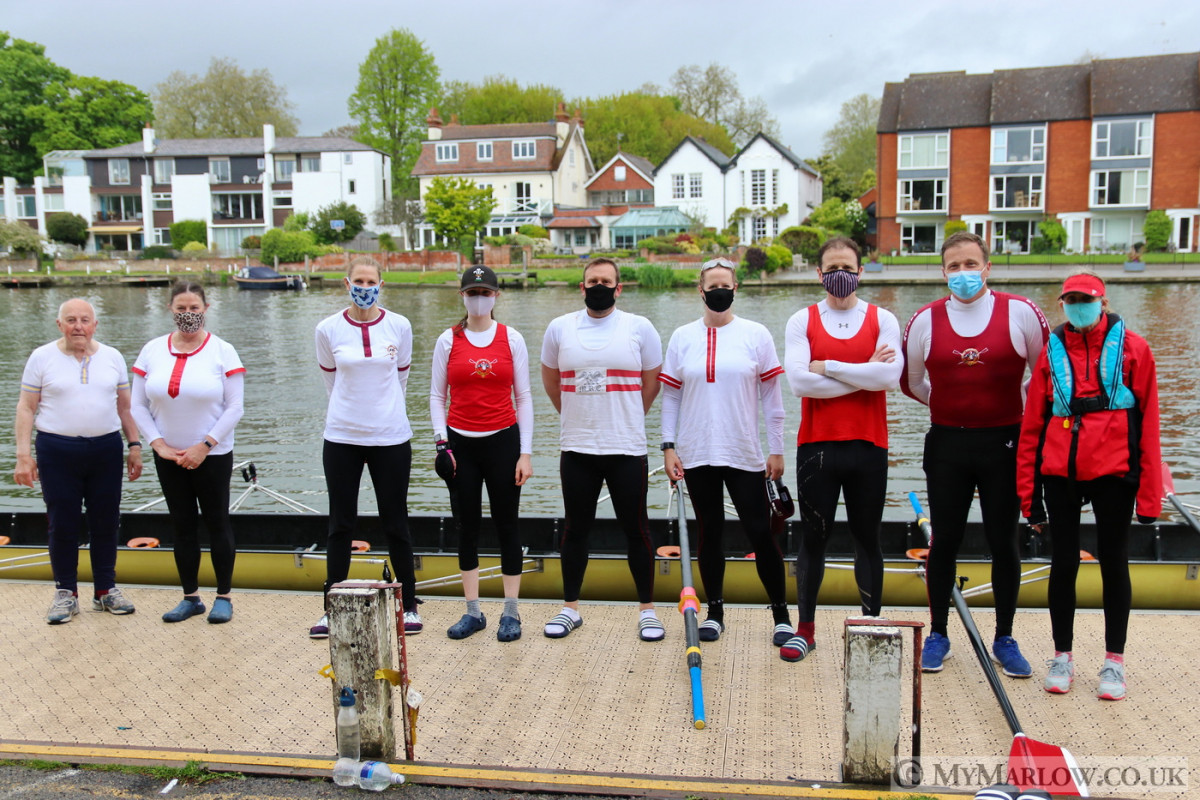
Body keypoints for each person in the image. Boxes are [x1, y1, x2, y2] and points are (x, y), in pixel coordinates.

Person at [901, 231, 1048, 676]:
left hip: (1005, 442)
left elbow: (1043, 377)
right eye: (954, 266)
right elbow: (912, 381)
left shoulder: (1020, 313)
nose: (962, 273)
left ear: (987, 267)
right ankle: (940, 634)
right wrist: (950, 405)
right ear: (943, 272)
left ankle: (1004, 637)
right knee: (945, 539)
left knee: (1003, 540)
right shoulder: (925, 320)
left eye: (971, 264)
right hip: (948, 443)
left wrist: (1014, 408)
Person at [1017, 272, 1161, 701]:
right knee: (1063, 563)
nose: (1079, 306)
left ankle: (1114, 662)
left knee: (1114, 562)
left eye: (1086, 299)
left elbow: (1150, 426)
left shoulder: (1135, 349)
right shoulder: (1051, 352)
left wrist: (1149, 498)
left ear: (1103, 300)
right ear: (1062, 305)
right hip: (1060, 474)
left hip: (1116, 473)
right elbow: (1031, 428)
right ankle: (1062, 656)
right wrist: (1030, 500)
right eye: (1071, 300)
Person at [659, 257, 792, 646]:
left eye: (726, 285)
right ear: (700, 291)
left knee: (760, 533)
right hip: (697, 452)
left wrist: (777, 449)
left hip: (744, 452)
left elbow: (772, 398)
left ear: (736, 288)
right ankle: (715, 612)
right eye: (712, 285)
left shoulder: (756, 334)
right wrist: (669, 447)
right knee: (709, 535)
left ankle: (781, 615)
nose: (719, 291)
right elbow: (670, 397)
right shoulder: (683, 337)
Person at [782, 237, 903, 662]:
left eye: (847, 266)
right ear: (819, 274)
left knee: (866, 538)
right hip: (817, 447)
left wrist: (829, 366)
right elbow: (799, 383)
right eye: (832, 267)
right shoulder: (802, 320)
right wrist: (864, 369)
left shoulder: (883, 318)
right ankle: (806, 630)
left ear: (860, 271)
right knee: (813, 539)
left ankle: (870, 626)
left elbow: (890, 379)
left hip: (868, 446)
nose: (840, 274)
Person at [540, 257, 665, 641]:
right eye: (592, 280)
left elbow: (652, 382)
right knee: (575, 529)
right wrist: (580, 416)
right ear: (582, 287)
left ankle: (647, 610)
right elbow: (551, 381)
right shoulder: (560, 328)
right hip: (577, 446)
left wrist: (624, 416)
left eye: (605, 280)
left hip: (626, 446)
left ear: (618, 287)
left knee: (637, 529)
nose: (599, 285)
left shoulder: (639, 328)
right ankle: (570, 608)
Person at [310, 259, 420, 639]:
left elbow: (400, 377)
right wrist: (353, 411)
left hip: (390, 436)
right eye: (358, 280)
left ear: (381, 284)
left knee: (396, 523)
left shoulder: (399, 325)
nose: (364, 286)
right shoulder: (328, 329)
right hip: (342, 436)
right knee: (340, 523)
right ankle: (332, 607)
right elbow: (331, 381)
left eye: (370, 281)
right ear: (346, 283)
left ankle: (409, 606)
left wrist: (381, 412)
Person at [14, 299, 143, 624]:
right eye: (70, 320)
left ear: (95, 325)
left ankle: (105, 591)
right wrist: (23, 456)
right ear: (60, 325)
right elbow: (26, 408)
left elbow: (125, 408)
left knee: (106, 521)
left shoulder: (112, 357)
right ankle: (65, 593)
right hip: (57, 450)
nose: (78, 326)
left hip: (106, 449)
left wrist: (135, 445)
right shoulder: (42, 357)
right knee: (62, 522)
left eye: (85, 320)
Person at [430, 266, 534, 642]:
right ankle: (473, 612)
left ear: (495, 297)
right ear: (462, 296)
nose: (478, 297)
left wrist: (525, 453)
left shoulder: (512, 338)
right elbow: (436, 396)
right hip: (461, 445)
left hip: (503, 441)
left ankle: (511, 613)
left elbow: (523, 397)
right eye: (472, 292)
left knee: (508, 526)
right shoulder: (448, 339)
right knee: (467, 527)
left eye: (485, 292)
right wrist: (442, 443)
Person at [131, 282, 245, 624]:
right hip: (168, 456)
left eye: (194, 308)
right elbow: (137, 405)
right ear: (170, 309)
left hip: (212, 454)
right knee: (181, 526)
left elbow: (235, 407)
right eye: (181, 308)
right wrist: (157, 444)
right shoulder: (152, 350)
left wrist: (204, 445)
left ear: (206, 309)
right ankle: (190, 597)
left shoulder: (223, 351)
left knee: (216, 523)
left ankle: (223, 596)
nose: (188, 314)